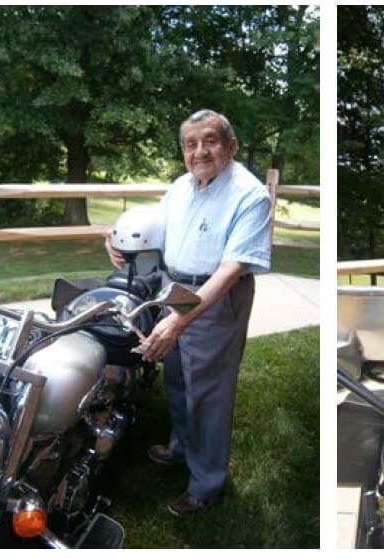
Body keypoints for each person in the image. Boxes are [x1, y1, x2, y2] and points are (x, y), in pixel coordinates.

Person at [104, 109, 273, 516]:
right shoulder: (181, 186)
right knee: (178, 379)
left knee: (208, 395)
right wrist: (114, 238)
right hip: (174, 286)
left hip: (216, 294)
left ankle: (206, 485)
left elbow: (233, 268)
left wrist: (182, 318)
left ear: (230, 146)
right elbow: (154, 231)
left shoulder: (250, 195)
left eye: (210, 141)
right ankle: (181, 448)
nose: (200, 151)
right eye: (191, 144)